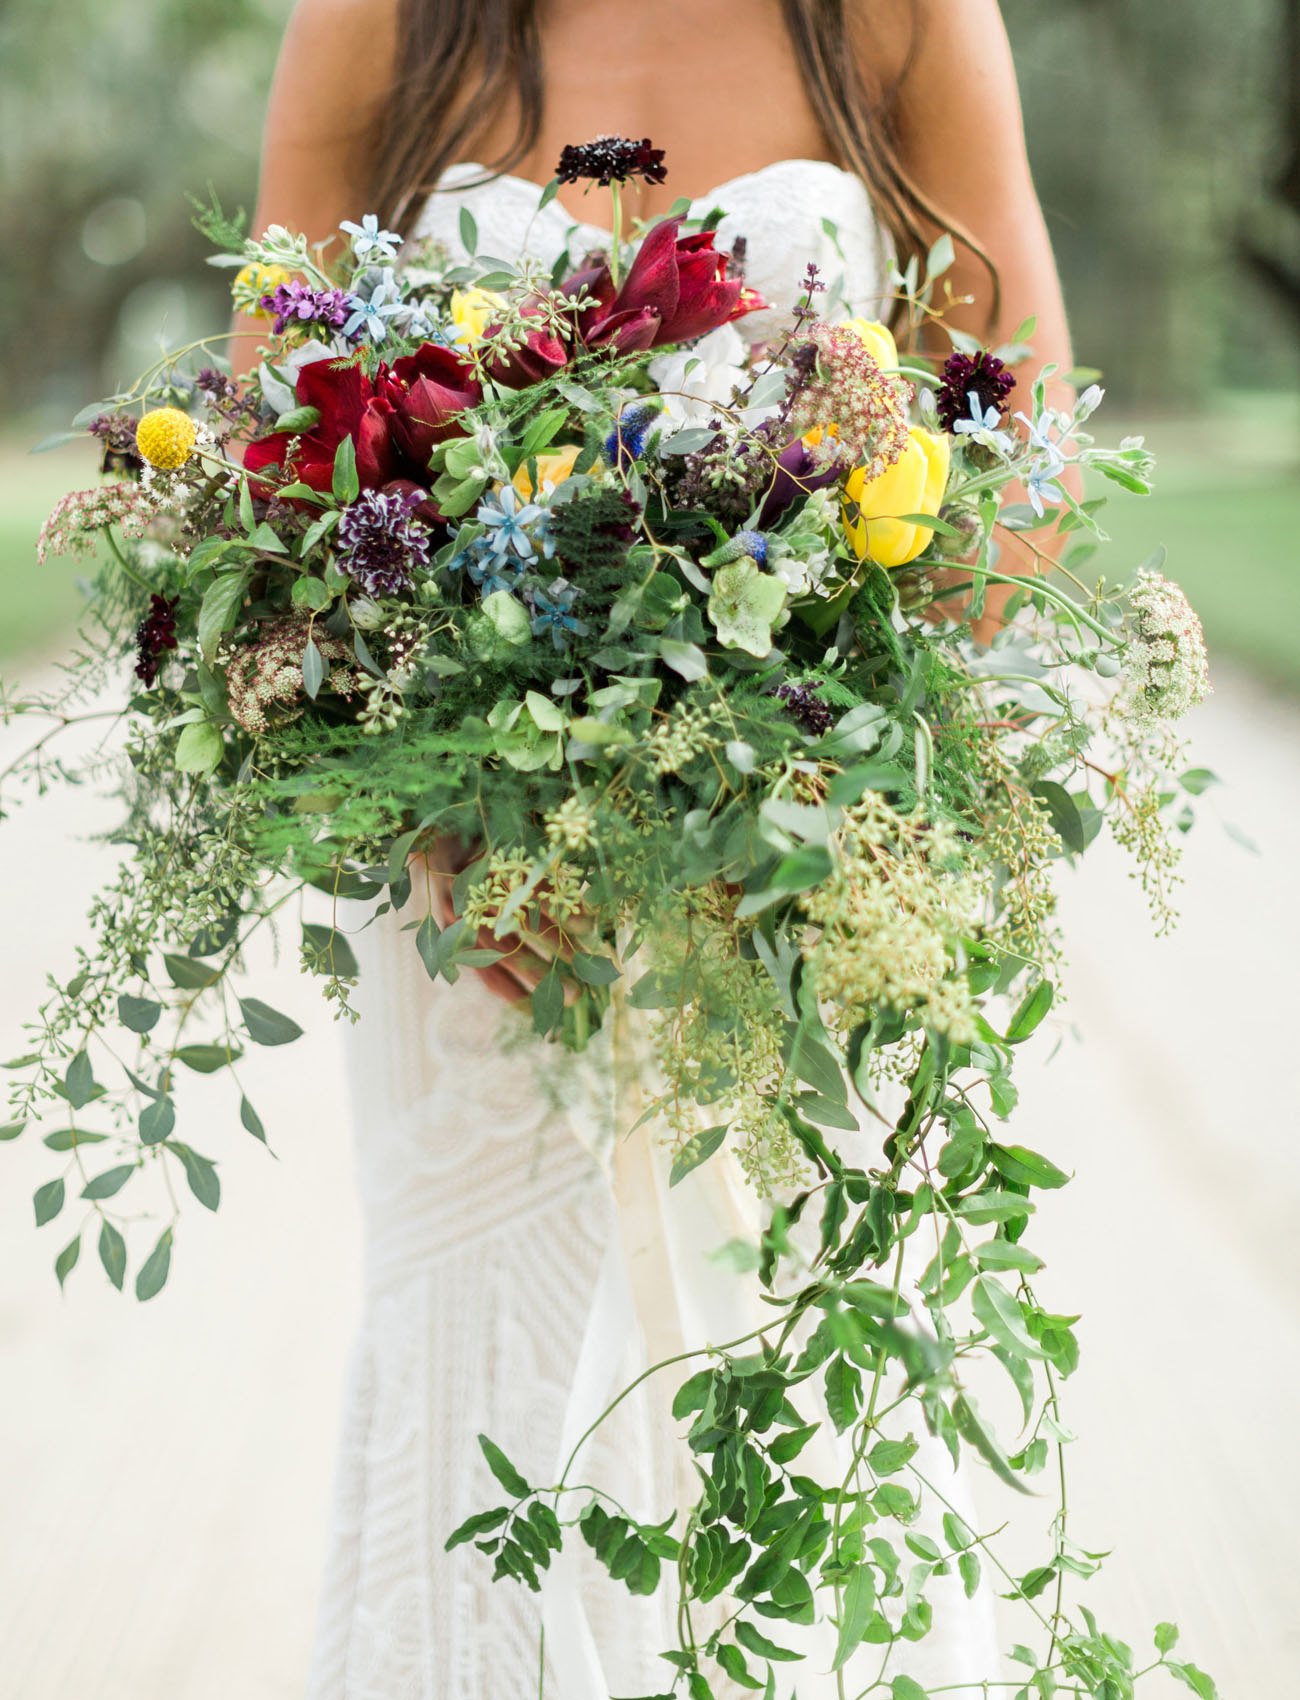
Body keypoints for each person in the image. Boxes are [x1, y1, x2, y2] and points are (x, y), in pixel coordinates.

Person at [240, 3, 1075, 1695]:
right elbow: (266, 468)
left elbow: (1024, 480)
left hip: (783, 890)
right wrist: (424, 800)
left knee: (781, 1361)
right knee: (485, 1382)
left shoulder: (896, 16)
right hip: (471, 912)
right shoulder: (378, 21)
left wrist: (800, 787)